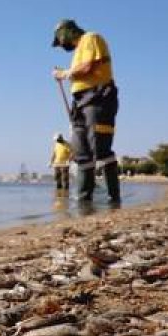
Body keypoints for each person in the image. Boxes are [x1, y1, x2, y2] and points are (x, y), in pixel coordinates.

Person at [52, 19, 121, 204]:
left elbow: (88, 66)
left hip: (98, 97)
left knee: (100, 147)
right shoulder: (76, 53)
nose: (61, 45)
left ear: (65, 33)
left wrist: (65, 74)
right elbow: (79, 71)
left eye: (60, 41)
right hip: (80, 102)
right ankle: (84, 202)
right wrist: (67, 75)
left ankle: (113, 200)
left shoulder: (90, 38)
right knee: (81, 150)